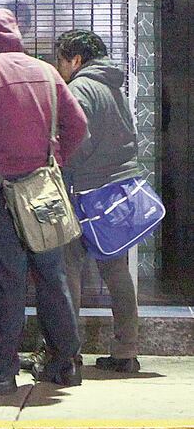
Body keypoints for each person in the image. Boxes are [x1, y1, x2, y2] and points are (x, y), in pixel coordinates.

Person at [0, 9, 88, 395]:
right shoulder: (46, 70)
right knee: (51, 275)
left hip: (2, 191)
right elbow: (78, 125)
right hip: (43, 189)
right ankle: (65, 363)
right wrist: (53, 160)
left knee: (4, 280)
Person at [54, 29, 142, 373]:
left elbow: (77, 141)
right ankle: (126, 351)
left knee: (68, 268)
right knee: (116, 270)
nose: (58, 68)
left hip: (87, 191)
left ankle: (67, 353)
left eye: (61, 61)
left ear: (76, 60)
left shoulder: (80, 88)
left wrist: (62, 164)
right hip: (116, 190)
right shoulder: (113, 87)